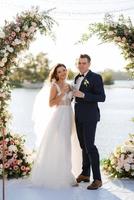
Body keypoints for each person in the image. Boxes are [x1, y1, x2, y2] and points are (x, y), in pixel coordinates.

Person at [30, 63, 77, 188]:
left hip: (69, 114)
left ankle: (67, 172)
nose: (62, 73)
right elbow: (50, 103)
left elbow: (74, 98)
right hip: (59, 116)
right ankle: (62, 175)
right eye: (59, 71)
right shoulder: (54, 86)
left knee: (68, 143)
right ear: (56, 74)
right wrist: (62, 94)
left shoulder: (70, 85)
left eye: (64, 70)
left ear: (67, 71)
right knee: (61, 143)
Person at [73, 54, 106, 190]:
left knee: (90, 146)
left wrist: (84, 95)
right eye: (79, 63)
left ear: (89, 64)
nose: (81, 65)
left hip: (90, 117)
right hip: (78, 116)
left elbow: (102, 97)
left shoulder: (95, 77)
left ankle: (97, 179)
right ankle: (85, 174)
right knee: (83, 145)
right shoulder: (76, 77)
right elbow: (75, 96)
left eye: (84, 63)